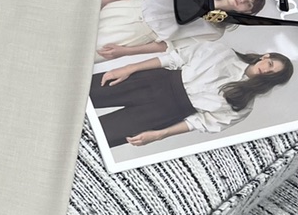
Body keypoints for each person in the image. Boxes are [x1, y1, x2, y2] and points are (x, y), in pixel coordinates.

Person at [89, 41, 293, 148]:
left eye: (272, 74)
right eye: (270, 64)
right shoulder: (221, 51)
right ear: (265, 56)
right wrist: (129, 68)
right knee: (85, 92)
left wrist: (160, 134)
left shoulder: (244, 104)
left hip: (165, 112)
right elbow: (173, 58)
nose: (266, 70)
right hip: (151, 81)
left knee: (99, 137)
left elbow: (200, 123)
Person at [95, 0, 267, 59]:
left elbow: (168, 45)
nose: (243, 0)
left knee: (88, 52)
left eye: (248, 4)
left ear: (247, 13)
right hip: (128, 9)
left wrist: (125, 52)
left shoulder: (215, 31)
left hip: (137, 36)